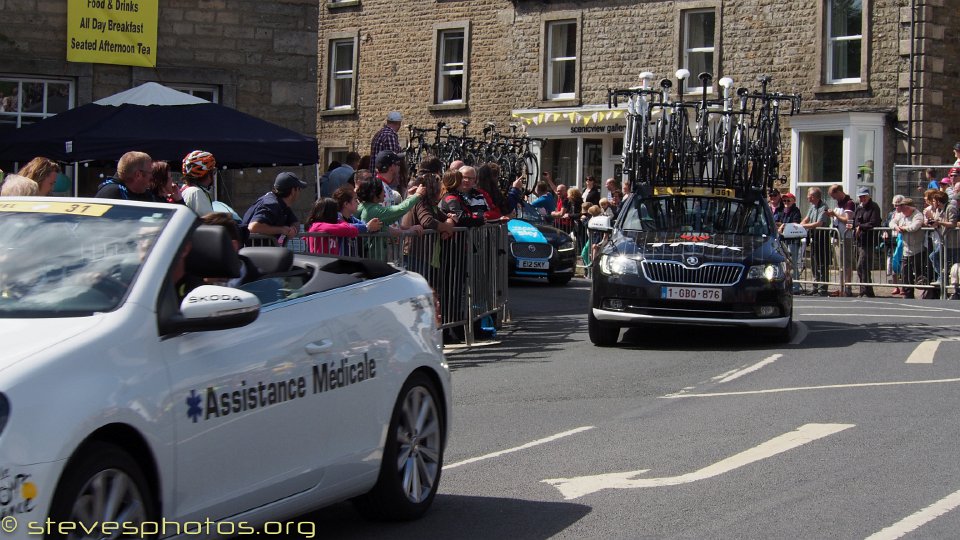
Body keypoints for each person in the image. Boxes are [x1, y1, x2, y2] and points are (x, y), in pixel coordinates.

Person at [241, 172, 305, 244]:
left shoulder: (282, 205)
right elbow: (253, 227)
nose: (300, 192)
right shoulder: (271, 204)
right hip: (255, 253)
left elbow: (295, 222)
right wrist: (281, 230)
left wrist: (293, 230)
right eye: (299, 189)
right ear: (293, 191)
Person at [825, 184, 856, 296]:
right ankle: (841, 286)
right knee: (840, 264)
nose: (833, 198)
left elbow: (848, 220)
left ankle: (848, 287)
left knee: (846, 263)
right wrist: (831, 215)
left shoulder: (849, 203)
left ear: (839, 192)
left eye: (833, 196)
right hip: (837, 236)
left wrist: (835, 215)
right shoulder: (839, 203)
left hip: (846, 237)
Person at [890, 196, 925, 299]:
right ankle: (907, 293)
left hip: (918, 248)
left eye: (904, 207)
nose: (902, 210)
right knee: (905, 272)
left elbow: (915, 226)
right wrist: (896, 227)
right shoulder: (901, 215)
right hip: (906, 249)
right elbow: (891, 222)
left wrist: (904, 228)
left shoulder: (917, 215)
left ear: (910, 208)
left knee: (919, 273)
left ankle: (925, 292)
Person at [800, 187, 831, 296]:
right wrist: (799, 225)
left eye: (809, 195)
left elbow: (819, 223)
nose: (807, 198)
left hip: (822, 238)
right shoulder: (812, 206)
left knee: (822, 264)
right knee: (814, 263)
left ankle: (823, 288)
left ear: (813, 196)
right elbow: (807, 219)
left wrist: (803, 226)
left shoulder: (824, 207)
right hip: (814, 238)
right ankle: (815, 286)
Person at [852, 186, 882, 297]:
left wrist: (861, 227)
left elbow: (874, 222)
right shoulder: (859, 208)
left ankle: (865, 290)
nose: (862, 199)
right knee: (861, 267)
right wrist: (856, 227)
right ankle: (867, 290)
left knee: (863, 265)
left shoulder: (874, 207)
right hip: (859, 241)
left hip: (868, 241)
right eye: (860, 197)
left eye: (864, 196)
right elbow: (855, 221)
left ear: (868, 196)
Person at [777, 192, 803, 293]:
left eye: (788, 200)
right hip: (783, 239)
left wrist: (784, 225)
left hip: (793, 240)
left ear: (793, 201)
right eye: (784, 201)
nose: (786, 202)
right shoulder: (782, 210)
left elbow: (796, 223)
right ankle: (786, 284)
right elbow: (779, 221)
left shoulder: (796, 211)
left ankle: (796, 285)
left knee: (793, 263)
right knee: (785, 264)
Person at [180, 150, 216, 215]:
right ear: (207, 174)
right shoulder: (196, 192)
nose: (213, 175)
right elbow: (209, 222)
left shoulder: (186, 189)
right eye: (213, 172)